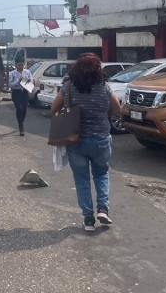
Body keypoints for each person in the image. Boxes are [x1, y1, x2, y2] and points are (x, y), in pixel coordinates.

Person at [51, 53, 121, 232]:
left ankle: (88, 219)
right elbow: (117, 110)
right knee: (101, 174)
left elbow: (54, 108)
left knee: (81, 179)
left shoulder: (68, 87)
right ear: (98, 69)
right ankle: (103, 209)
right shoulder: (105, 87)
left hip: (76, 141)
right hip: (101, 140)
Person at [8, 59, 33, 136]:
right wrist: (18, 80)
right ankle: (21, 126)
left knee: (25, 108)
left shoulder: (27, 72)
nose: (21, 66)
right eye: (19, 65)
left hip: (24, 92)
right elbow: (10, 84)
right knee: (19, 108)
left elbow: (32, 80)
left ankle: (21, 121)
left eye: (22, 65)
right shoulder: (12, 73)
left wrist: (29, 80)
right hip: (16, 92)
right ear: (16, 65)